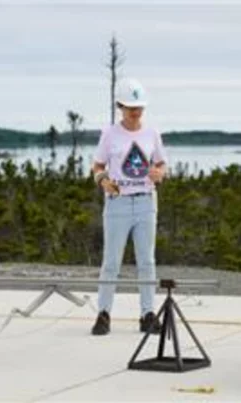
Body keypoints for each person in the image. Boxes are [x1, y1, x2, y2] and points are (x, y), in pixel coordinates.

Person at [90, 78, 167, 336]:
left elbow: (161, 164)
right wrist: (103, 181)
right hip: (118, 203)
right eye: (131, 108)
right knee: (111, 261)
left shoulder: (152, 133)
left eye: (140, 108)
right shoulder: (110, 134)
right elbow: (98, 165)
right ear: (120, 107)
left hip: (145, 201)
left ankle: (147, 313)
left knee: (146, 260)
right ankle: (104, 313)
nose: (136, 113)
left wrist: (159, 173)